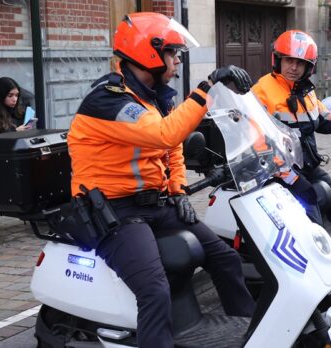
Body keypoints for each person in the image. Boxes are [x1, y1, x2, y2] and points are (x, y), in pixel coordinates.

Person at [67, 13, 255, 347]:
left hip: (157, 203)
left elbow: (174, 150)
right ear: (148, 52)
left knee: (226, 258)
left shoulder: (154, 97)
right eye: (172, 52)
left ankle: (250, 336)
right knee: (154, 290)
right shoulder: (108, 100)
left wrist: (178, 188)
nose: (178, 59)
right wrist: (208, 86)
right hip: (115, 212)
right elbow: (166, 135)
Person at [251, 30, 331, 248]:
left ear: (308, 67)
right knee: (312, 223)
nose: (293, 67)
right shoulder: (262, 91)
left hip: (309, 167)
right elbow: (260, 147)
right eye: (289, 60)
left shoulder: (305, 91)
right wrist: (291, 178)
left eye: (300, 63)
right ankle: (312, 274)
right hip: (281, 173)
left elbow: (323, 117)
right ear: (278, 60)